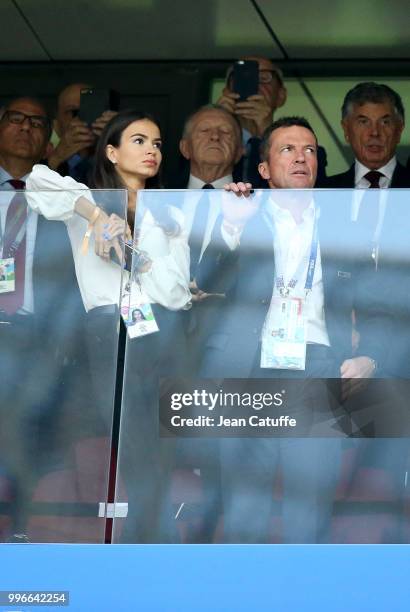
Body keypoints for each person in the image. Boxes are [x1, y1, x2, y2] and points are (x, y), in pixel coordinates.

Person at [196, 116, 380, 543]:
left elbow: (375, 300)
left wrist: (369, 354)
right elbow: (202, 281)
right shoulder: (239, 214)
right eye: (287, 150)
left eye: (310, 150)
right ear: (263, 171)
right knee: (244, 503)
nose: (301, 157)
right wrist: (233, 224)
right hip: (247, 363)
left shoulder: (344, 227)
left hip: (317, 362)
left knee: (310, 499)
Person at [27, 110, 191, 543]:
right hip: (105, 331)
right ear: (112, 152)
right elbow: (38, 180)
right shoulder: (85, 201)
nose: (151, 150)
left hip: (157, 330)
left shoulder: (171, 213)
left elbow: (176, 294)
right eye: (139, 141)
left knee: (154, 445)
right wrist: (97, 216)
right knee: (129, 444)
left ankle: (149, 536)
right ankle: (151, 537)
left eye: (157, 143)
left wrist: (138, 253)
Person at [0, 96, 83, 539]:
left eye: (37, 122)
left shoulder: (64, 200)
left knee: (27, 444)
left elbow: (75, 280)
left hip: (36, 338)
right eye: (16, 119)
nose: (26, 127)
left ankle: (19, 536)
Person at [217, 55, 327, 185]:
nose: (254, 86)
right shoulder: (208, 141)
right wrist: (219, 122)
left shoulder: (307, 153)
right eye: (243, 78)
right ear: (226, 91)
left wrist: (265, 131)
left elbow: (312, 193)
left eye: (264, 78)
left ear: (281, 95)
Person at [47, 83, 117, 183]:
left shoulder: (118, 157)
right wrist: (56, 159)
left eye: (91, 111)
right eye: (74, 112)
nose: (82, 119)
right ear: (56, 123)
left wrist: (119, 137)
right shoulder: (41, 158)